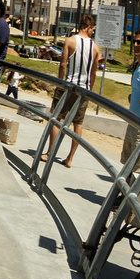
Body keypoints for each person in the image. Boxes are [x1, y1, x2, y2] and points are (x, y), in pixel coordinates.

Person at [44, 13, 102, 165]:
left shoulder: (70, 41)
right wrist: (90, 88)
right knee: (78, 123)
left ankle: (50, 152)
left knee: (57, 119)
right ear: (88, 27)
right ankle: (70, 158)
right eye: (93, 29)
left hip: (68, 85)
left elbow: (63, 64)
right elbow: (94, 72)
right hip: (84, 89)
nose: (93, 32)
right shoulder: (95, 48)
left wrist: (59, 81)